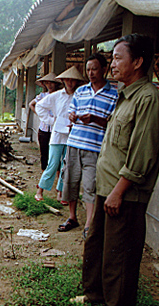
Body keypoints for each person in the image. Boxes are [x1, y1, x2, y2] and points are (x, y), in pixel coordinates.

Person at [75, 34, 159, 306]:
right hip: (108, 190)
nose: (111, 65)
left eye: (117, 58)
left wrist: (118, 192)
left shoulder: (149, 100)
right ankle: (95, 298)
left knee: (119, 260)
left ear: (137, 62)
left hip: (124, 196)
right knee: (97, 250)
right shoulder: (125, 96)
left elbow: (142, 154)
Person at [58, 53, 118, 237]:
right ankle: (72, 217)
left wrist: (95, 119)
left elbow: (113, 122)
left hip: (95, 147)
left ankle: (89, 224)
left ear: (104, 70)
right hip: (74, 143)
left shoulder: (114, 94)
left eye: (94, 69)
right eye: (88, 69)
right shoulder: (81, 91)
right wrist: (73, 117)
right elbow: (71, 111)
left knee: (91, 185)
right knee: (71, 181)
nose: (90, 73)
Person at [34, 66, 85, 202]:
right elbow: (39, 106)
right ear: (63, 81)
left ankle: (61, 193)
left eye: (72, 80)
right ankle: (40, 190)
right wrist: (51, 121)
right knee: (52, 163)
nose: (69, 83)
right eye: (67, 80)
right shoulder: (57, 96)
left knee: (66, 166)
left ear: (77, 82)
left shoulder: (80, 97)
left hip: (72, 135)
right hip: (57, 135)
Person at [29, 72, 62, 171]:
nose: (49, 85)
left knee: (56, 154)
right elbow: (31, 104)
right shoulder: (42, 96)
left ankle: (57, 176)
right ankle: (44, 174)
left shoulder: (59, 95)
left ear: (55, 84)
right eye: (47, 83)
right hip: (43, 129)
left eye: (51, 83)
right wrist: (41, 115)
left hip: (56, 129)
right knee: (44, 153)